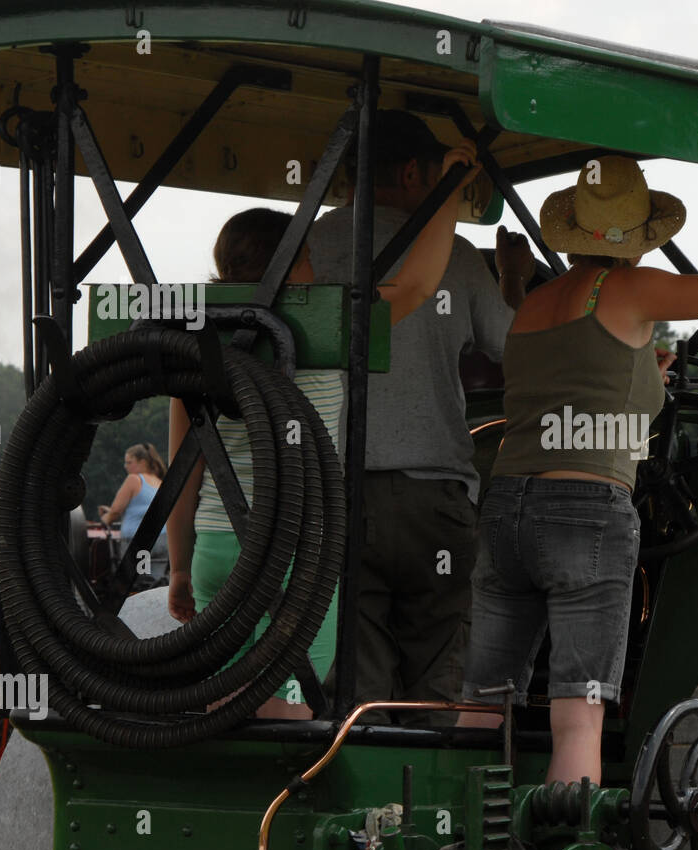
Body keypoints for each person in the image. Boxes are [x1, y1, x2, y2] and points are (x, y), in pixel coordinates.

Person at [458, 156, 698, 786]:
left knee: (482, 699)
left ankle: (450, 834)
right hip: (586, 512)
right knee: (581, 710)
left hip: (506, 507)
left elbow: (564, 386)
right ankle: (567, 844)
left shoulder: (533, 305)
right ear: (640, 234)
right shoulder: (629, 289)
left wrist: (642, 381)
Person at [166, 140, 481, 721]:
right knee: (291, 703)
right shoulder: (321, 331)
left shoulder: (193, 341)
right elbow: (414, 286)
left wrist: (181, 567)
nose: (319, 269)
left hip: (216, 543)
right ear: (291, 263)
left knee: (222, 692)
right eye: (309, 257)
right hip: (297, 549)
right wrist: (449, 197)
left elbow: (183, 476)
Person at [307, 109, 535, 724]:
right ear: (413, 171)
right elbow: (518, 355)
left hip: (335, 495)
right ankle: (431, 806)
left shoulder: (304, 249)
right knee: (440, 673)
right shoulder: (455, 257)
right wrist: (512, 279)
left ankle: (361, 807)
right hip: (432, 500)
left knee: (357, 680)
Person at [99, 443, 170, 575]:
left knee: (137, 585)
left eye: (129, 462)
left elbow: (115, 512)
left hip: (139, 543)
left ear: (142, 462)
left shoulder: (134, 479)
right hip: (162, 541)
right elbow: (142, 509)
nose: (125, 466)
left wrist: (104, 519)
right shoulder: (159, 482)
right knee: (154, 584)